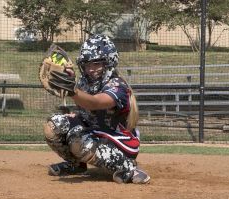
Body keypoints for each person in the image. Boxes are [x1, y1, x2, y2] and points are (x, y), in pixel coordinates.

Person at [43, 34, 150, 184]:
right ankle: (76, 165)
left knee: (77, 139)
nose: (91, 70)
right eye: (87, 65)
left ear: (109, 63)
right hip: (97, 136)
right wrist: (69, 82)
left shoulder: (117, 85)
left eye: (96, 64)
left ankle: (128, 168)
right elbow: (86, 110)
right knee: (54, 124)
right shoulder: (84, 82)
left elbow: (95, 103)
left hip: (120, 145)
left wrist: (72, 90)